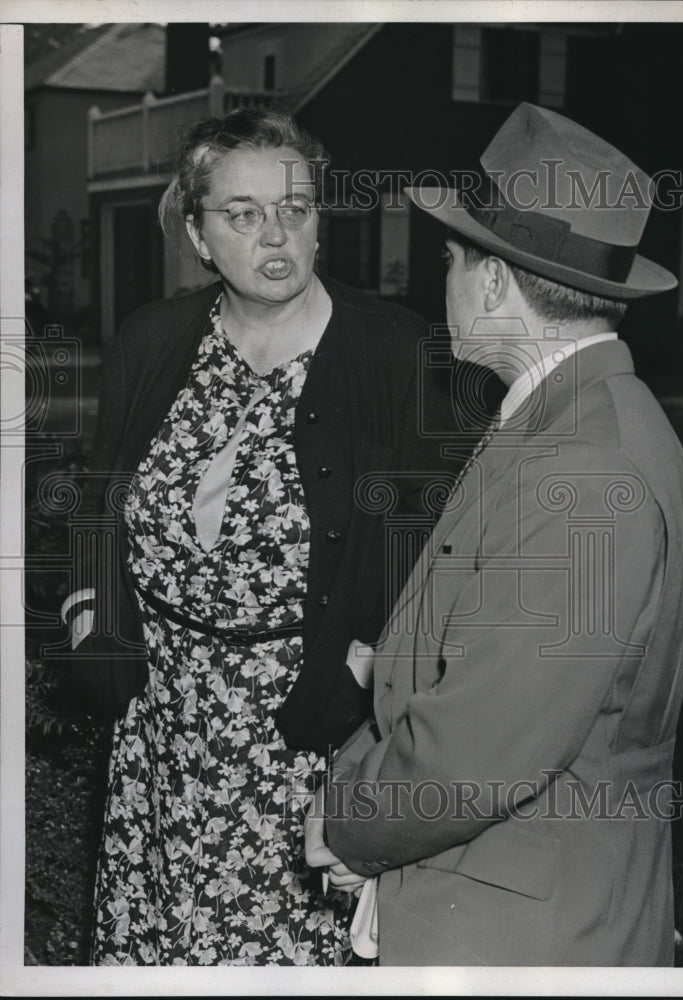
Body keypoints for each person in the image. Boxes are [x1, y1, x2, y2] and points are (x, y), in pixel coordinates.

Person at [60, 106, 462, 965]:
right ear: (199, 235)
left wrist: (368, 695)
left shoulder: (395, 354)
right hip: (159, 725)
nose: (275, 235)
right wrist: (90, 622)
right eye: (242, 214)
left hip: (303, 737)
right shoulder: (153, 339)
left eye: (296, 208)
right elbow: (99, 503)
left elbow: (429, 557)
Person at [306, 102, 683, 966]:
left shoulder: (585, 470)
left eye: (450, 259)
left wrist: (345, 821)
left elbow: (474, 753)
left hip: (522, 934)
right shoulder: (568, 423)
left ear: (491, 282)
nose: (441, 281)